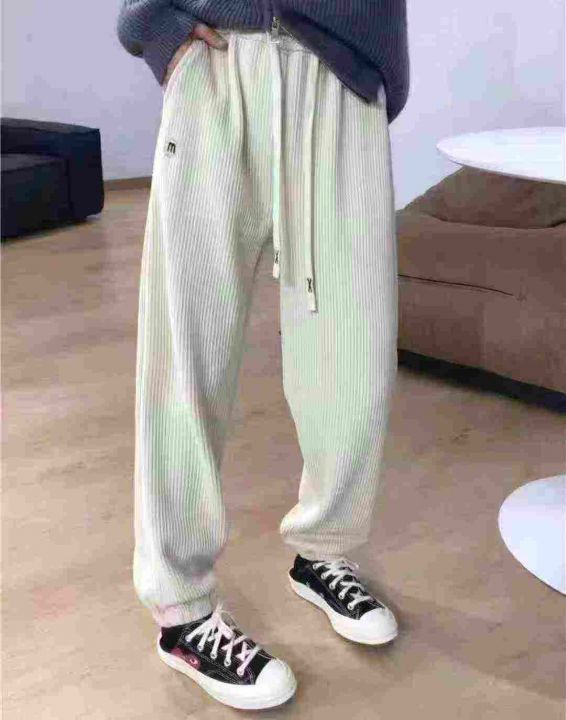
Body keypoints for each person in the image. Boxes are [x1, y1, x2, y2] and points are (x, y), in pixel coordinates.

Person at [116, 0, 409, 711]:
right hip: (216, 55)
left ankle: (325, 549)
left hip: (341, 68)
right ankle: (182, 611)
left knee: (355, 350)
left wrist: (378, 66)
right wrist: (150, 24)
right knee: (186, 352)